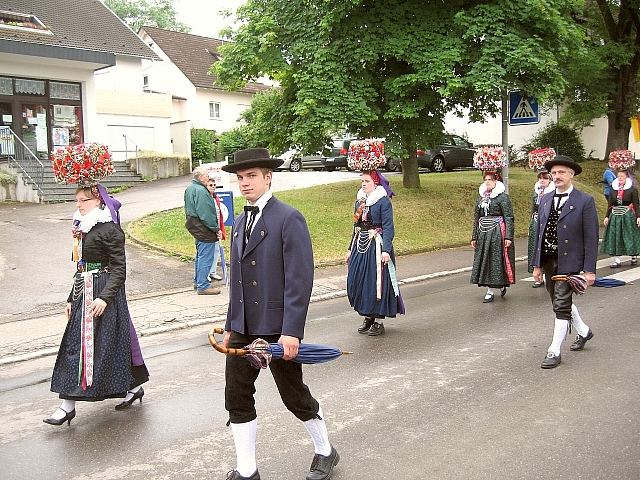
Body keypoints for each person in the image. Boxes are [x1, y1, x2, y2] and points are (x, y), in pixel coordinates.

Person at [220, 148, 339, 480]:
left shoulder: (289, 218)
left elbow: (300, 280)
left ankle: (326, 452)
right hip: (244, 326)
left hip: (277, 329)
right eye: (240, 178)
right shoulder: (241, 220)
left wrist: (292, 331)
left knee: (293, 395)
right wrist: (231, 323)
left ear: (268, 177)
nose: (244, 183)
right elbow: (238, 280)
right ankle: (247, 470)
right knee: (237, 393)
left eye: (251, 176)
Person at [44, 185, 149, 426]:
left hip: (103, 293)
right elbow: (80, 268)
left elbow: (119, 270)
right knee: (78, 346)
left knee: (108, 345)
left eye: (84, 200)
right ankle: (68, 406)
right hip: (84, 291)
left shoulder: (110, 230)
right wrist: (72, 298)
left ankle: (70, 405)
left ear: (99, 201)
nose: (79, 205)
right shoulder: (81, 228)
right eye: (77, 201)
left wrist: (105, 297)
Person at [532, 155, 599, 369]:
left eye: (561, 172)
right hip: (549, 260)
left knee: (561, 304)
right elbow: (539, 234)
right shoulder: (545, 199)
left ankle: (554, 351)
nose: (557, 176)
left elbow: (591, 237)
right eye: (554, 173)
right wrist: (536, 265)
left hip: (571, 261)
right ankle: (584, 332)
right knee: (558, 302)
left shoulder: (584, 201)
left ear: (571, 174)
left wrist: (589, 270)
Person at [345, 170, 404, 336]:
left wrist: (386, 250)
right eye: (362, 181)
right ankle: (368, 315)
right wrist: (350, 249)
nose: (363, 184)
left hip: (377, 247)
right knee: (357, 280)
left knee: (375, 282)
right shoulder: (360, 201)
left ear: (376, 183)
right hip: (360, 244)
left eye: (367, 181)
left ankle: (378, 320)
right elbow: (356, 227)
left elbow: (389, 227)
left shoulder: (382, 201)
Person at [470, 171, 515, 303]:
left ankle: (499, 285)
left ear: (496, 181)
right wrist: (474, 237)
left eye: (490, 179)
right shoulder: (481, 197)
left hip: (497, 232)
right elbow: (476, 218)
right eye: (486, 179)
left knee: (496, 260)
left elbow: (508, 217)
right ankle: (490, 289)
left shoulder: (502, 197)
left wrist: (508, 237)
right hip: (483, 232)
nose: (487, 181)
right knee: (485, 260)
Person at [184, 166, 221, 295]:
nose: (208, 177)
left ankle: (198, 281)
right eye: (206, 175)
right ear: (200, 177)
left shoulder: (190, 188)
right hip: (203, 227)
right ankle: (203, 285)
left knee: (200, 255)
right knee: (206, 256)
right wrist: (216, 228)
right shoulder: (201, 191)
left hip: (194, 224)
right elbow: (206, 214)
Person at [601, 169, 640, 267]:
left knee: (629, 236)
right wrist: (606, 216)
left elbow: (636, 204)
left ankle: (633, 255)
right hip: (615, 215)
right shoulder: (613, 190)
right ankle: (617, 260)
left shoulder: (632, 190)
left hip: (628, 215)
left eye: (622, 176)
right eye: (618, 176)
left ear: (627, 177)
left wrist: (638, 216)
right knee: (615, 236)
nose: (620, 178)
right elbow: (610, 204)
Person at [528, 169, 554, 287]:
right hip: (536, 221)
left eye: (545, 178)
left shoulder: (553, 192)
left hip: (547, 221)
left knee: (544, 247)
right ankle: (538, 275)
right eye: (540, 178)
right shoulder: (536, 191)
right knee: (535, 246)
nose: (542, 180)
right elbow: (533, 208)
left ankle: (548, 273)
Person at [206, 175, 225, 282]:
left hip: (217, 228)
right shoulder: (205, 199)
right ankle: (206, 273)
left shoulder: (216, 198)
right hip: (209, 229)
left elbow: (220, 215)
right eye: (210, 185)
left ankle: (212, 271)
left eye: (214, 185)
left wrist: (220, 229)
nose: (213, 187)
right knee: (208, 251)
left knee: (216, 250)